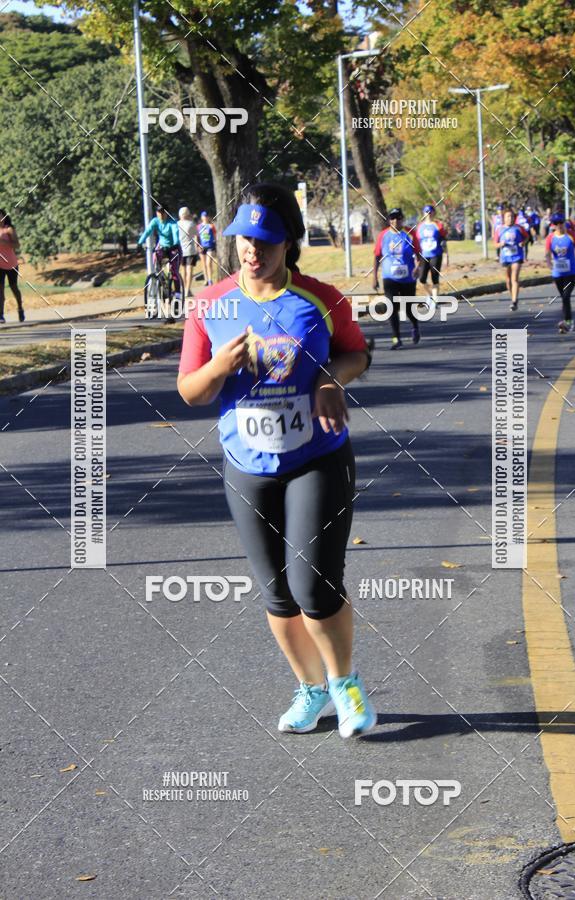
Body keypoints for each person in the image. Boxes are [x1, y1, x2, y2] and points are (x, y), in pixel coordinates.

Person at [177, 182, 377, 739]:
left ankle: (345, 684)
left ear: (289, 242)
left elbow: (357, 350)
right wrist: (219, 367)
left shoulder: (321, 299)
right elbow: (190, 391)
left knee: (314, 582)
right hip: (247, 465)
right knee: (278, 592)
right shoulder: (209, 306)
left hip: (317, 456)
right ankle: (311, 690)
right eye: (244, 238)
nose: (252, 250)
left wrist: (335, 379)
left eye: (265, 240)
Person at [373, 208, 421, 348]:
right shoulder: (383, 235)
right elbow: (377, 256)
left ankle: (415, 326)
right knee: (391, 307)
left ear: (403, 219)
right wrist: (374, 277)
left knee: (408, 307)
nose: (395, 221)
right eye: (392, 218)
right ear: (389, 220)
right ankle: (396, 337)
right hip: (389, 277)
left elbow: (419, 254)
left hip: (408, 278)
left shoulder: (410, 234)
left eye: (398, 218)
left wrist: (418, 267)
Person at [545, 211, 575, 334]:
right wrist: (549, 264)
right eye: (556, 223)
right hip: (558, 274)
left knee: (566, 296)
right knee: (564, 298)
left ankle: (568, 322)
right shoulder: (550, 238)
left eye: (561, 222)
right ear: (553, 225)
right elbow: (547, 253)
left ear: (564, 223)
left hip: (572, 272)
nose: (559, 225)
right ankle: (567, 321)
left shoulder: (571, 235)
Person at [138, 206, 182, 298]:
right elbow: (147, 232)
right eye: (159, 213)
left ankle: (178, 293)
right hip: (162, 246)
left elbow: (175, 234)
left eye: (163, 213)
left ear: (166, 214)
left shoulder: (172, 223)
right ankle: (160, 280)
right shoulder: (155, 221)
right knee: (156, 258)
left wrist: (175, 244)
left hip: (174, 247)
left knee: (174, 270)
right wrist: (140, 243)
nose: (161, 215)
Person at [494, 208, 529, 311]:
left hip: (517, 256)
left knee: (515, 278)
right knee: (508, 280)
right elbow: (495, 244)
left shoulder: (519, 228)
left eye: (512, 216)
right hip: (505, 257)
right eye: (508, 216)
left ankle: (514, 300)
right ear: (504, 218)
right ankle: (512, 295)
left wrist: (523, 243)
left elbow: (527, 237)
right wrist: (501, 244)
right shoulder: (499, 229)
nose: (510, 218)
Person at [416, 204, 449, 302]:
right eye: (426, 212)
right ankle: (429, 294)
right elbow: (417, 242)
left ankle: (435, 299)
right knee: (421, 278)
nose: (428, 214)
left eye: (430, 212)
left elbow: (443, 242)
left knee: (435, 277)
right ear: (423, 213)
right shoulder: (420, 227)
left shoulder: (438, 225)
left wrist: (446, 256)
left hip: (436, 254)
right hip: (423, 255)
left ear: (434, 213)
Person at [0, 209, 25, 324]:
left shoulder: (9, 229)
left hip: (11, 264)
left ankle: (20, 308)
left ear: (4, 217)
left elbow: (17, 245)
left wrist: (4, 243)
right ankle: (1, 315)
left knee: (14, 287)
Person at [177, 207, 198, 299]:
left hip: (181, 249)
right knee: (189, 270)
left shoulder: (176, 224)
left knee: (183, 270)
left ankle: (183, 287)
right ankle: (187, 289)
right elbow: (196, 235)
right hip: (190, 249)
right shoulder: (191, 224)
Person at [197, 211, 217, 285]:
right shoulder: (199, 226)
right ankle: (205, 279)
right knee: (204, 264)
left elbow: (215, 235)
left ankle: (210, 279)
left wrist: (215, 243)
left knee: (209, 263)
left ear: (208, 217)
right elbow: (197, 236)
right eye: (203, 216)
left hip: (210, 246)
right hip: (202, 247)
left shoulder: (211, 226)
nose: (205, 217)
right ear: (201, 217)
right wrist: (198, 245)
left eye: (206, 216)